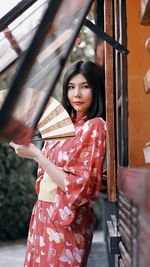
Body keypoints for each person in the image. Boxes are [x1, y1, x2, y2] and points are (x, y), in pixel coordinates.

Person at [10, 60, 106, 267]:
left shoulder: (95, 126)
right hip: (44, 214)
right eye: (71, 87)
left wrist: (37, 155)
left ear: (96, 89)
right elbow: (43, 178)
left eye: (85, 86)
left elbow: (81, 187)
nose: (76, 94)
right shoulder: (63, 126)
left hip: (68, 222)